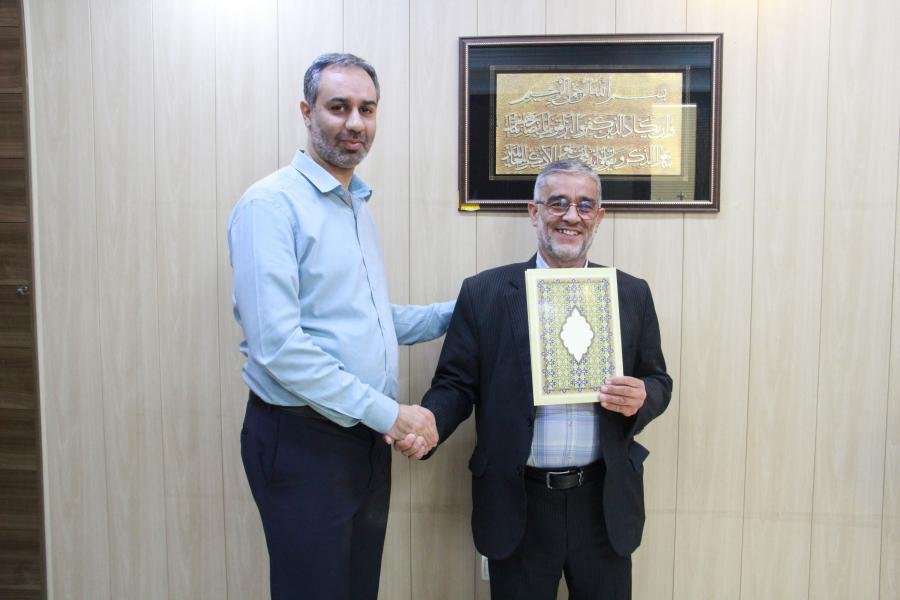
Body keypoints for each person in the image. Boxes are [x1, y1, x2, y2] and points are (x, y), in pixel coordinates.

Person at [228, 52, 450, 600]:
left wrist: (463, 309)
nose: (355, 123)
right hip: (302, 441)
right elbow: (278, 346)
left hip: (364, 437)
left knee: (357, 588)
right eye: (339, 107)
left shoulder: (356, 204)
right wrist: (391, 415)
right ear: (307, 112)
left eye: (366, 109)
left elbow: (366, 321)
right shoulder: (269, 206)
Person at [400, 159, 672, 599]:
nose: (571, 216)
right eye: (558, 203)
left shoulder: (630, 293)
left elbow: (658, 380)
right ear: (534, 212)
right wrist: (431, 421)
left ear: (599, 217)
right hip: (518, 502)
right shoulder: (485, 293)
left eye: (585, 205)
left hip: (603, 502)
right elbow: (455, 384)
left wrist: (643, 397)